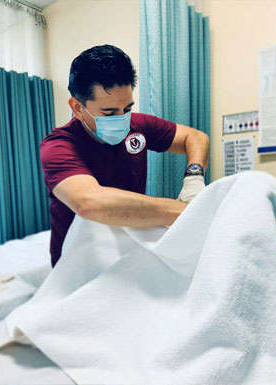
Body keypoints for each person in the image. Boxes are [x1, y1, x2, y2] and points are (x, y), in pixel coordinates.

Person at [40, 45, 210, 266]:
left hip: (127, 247)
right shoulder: (58, 146)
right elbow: (90, 202)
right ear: (77, 107)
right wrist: (186, 212)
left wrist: (194, 178)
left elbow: (195, 137)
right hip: (78, 262)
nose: (122, 119)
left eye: (127, 109)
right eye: (109, 113)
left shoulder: (138, 126)